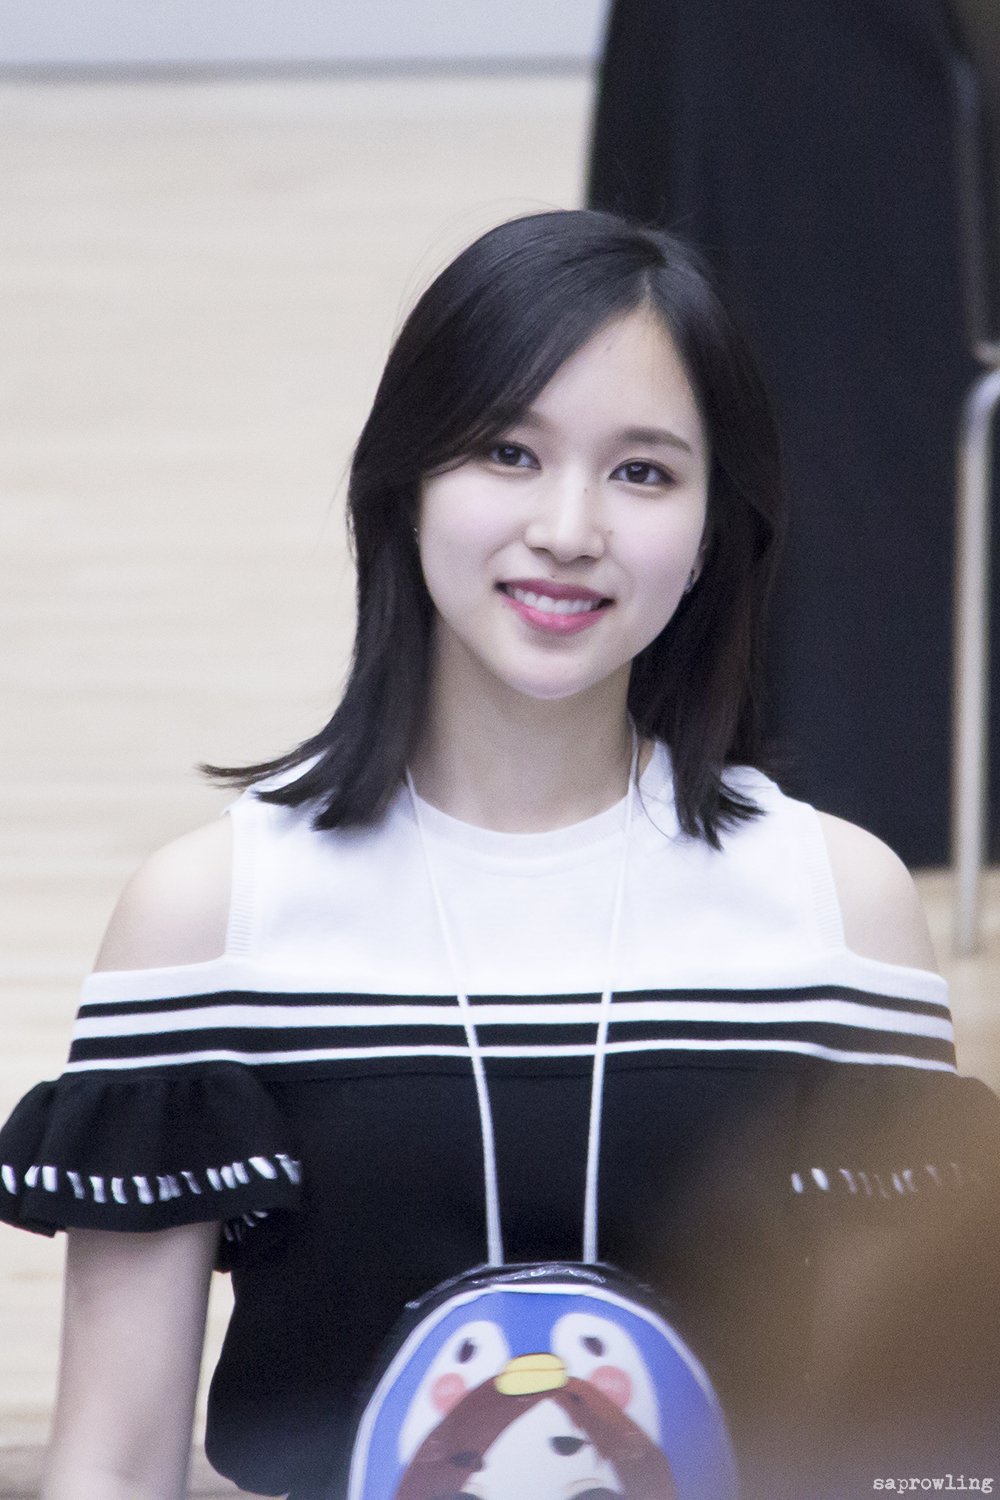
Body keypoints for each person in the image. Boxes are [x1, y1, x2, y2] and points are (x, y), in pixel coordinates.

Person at [1, 210, 997, 1500]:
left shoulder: (837, 910)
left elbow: (900, 1460)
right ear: (405, 485)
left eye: (643, 473)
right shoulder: (210, 916)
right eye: (508, 453)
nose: (570, 527)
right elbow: (115, 1468)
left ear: (713, 528)